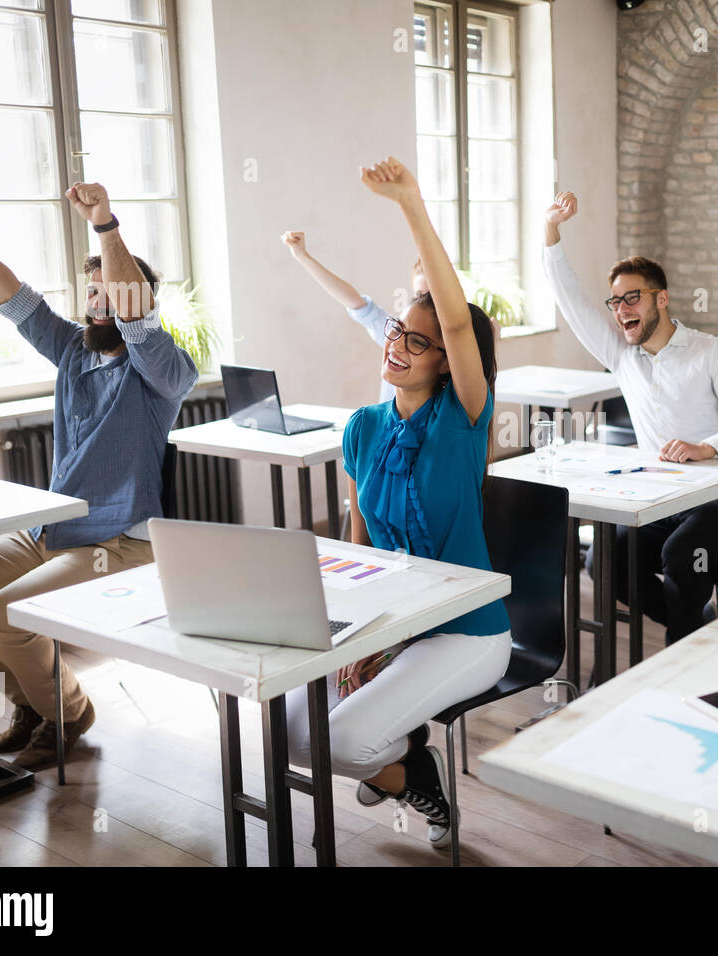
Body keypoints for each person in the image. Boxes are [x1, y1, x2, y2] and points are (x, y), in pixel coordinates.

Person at [0, 176, 197, 769]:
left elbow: (136, 320)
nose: (97, 301)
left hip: (119, 542)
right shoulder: (71, 350)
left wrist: (105, 223)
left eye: (109, 292)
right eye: (92, 291)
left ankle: (66, 712)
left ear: (135, 301)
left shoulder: (164, 371)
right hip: (50, 528)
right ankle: (36, 705)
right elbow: (9, 291)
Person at [283, 158, 509, 850]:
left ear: (445, 360)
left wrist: (410, 202)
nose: (399, 346)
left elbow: (461, 325)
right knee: (292, 729)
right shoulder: (364, 427)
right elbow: (360, 547)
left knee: (346, 739)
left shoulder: (464, 417)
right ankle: (408, 766)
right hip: (392, 620)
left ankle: (408, 770)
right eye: (396, 334)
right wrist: (359, 637)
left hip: (467, 630)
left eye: (419, 340)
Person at [542, 191, 718, 644]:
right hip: (661, 500)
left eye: (633, 297)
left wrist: (706, 447)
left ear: (661, 299)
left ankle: (682, 655)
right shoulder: (623, 357)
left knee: (682, 554)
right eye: (616, 302)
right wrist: (550, 232)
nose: (623, 308)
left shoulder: (712, 351)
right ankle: (693, 631)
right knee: (603, 561)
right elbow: (570, 302)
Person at [281, 230, 427, 403]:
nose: (425, 305)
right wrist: (303, 256)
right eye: (420, 296)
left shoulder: (453, 346)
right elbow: (356, 302)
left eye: (433, 298)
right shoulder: (395, 332)